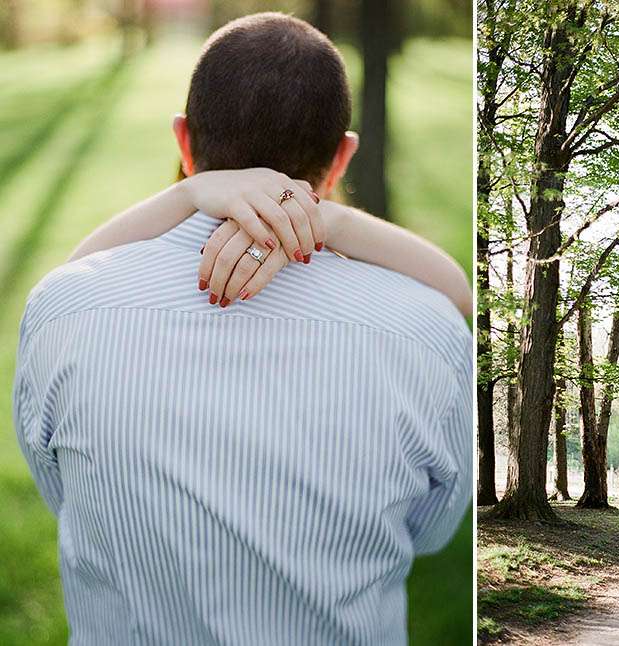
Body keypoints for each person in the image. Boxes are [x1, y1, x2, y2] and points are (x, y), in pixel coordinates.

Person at [13, 13, 471, 645]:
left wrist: (187, 195)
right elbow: (431, 530)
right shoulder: (428, 333)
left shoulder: (66, 311)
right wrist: (327, 221)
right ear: (342, 156)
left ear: (184, 140)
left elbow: (62, 484)